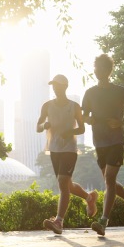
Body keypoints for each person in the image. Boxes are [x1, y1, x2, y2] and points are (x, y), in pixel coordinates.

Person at [82, 54, 124, 236]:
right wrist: (88, 119)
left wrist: (121, 121)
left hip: (116, 140)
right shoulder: (90, 93)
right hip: (99, 142)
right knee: (110, 181)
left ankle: (103, 222)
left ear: (108, 70)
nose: (97, 71)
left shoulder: (120, 91)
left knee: (109, 180)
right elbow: (83, 116)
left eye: (100, 68)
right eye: (95, 67)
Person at [37, 74, 99, 235]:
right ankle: (89, 197)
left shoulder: (74, 106)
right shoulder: (47, 106)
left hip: (70, 149)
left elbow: (82, 129)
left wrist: (70, 131)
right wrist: (45, 125)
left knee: (63, 182)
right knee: (67, 185)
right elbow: (38, 126)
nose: (55, 88)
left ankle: (59, 221)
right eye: (53, 86)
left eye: (58, 85)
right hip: (54, 149)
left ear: (65, 87)